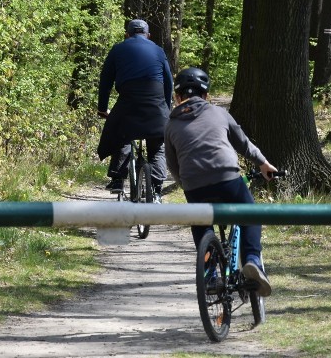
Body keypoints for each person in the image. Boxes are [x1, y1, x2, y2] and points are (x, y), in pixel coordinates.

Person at [164, 67, 279, 296]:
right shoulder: (219, 113)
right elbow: (243, 144)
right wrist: (263, 163)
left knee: (200, 224)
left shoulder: (171, 125)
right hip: (227, 177)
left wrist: (186, 184)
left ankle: (209, 274)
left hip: (193, 185)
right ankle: (253, 260)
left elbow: (172, 164)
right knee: (251, 214)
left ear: (177, 97)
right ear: (206, 95)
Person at [97, 19, 173, 199]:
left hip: (128, 101)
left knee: (121, 135)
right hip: (156, 104)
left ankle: (117, 178)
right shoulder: (158, 50)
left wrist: (102, 109)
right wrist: (166, 109)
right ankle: (157, 187)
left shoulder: (118, 49)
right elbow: (169, 82)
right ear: (148, 35)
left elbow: (105, 82)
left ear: (127, 34)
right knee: (157, 145)